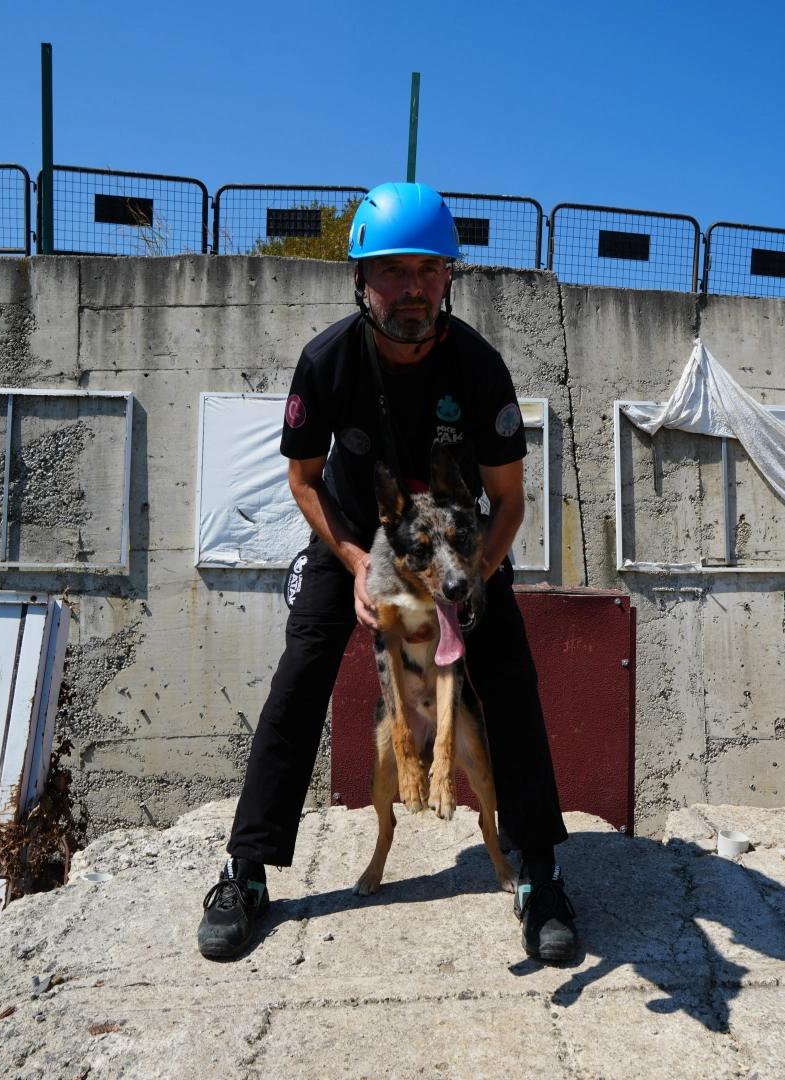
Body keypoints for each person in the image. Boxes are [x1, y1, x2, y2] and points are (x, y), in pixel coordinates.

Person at [197, 182, 578, 962]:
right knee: (302, 671)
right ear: (361, 279)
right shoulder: (327, 360)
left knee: (507, 674)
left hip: (452, 542)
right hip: (356, 530)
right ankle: (248, 870)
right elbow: (304, 480)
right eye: (392, 270)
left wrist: (468, 581)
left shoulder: (478, 368)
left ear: (449, 278)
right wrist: (353, 557)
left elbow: (507, 501)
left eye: (429, 270)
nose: (412, 288)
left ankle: (541, 870)